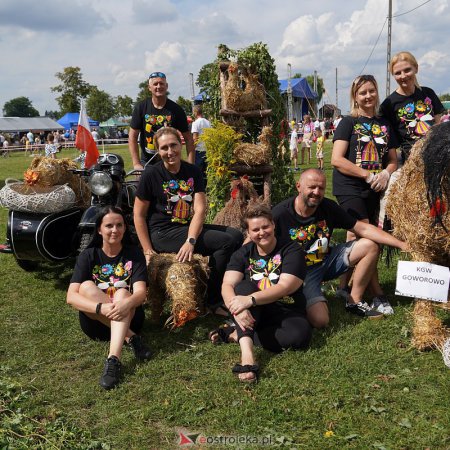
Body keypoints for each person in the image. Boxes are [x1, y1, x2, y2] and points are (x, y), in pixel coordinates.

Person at [272, 169, 407, 328]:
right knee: (321, 321)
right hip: (299, 272)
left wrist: (402, 244)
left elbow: (363, 229)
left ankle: (354, 301)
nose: (317, 192)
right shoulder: (280, 213)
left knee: (370, 245)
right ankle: (300, 296)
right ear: (298, 186)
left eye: (321, 188)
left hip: (326, 261)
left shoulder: (328, 207)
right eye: (312, 187)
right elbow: (253, 243)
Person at [133, 127, 243, 314]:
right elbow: (139, 215)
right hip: (163, 233)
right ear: (158, 151)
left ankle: (224, 286)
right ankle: (214, 301)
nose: (170, 152)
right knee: (226, 242)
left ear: (181, 144)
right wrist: (147, 250)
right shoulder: (151, 174)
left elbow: (200, 209)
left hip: (185, 228)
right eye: (164, 148)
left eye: (173, 145)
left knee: (236, 235)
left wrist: (191, 240)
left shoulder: (192, 171)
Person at [211, 205, 312, 382]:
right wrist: (237, 309)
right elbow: (227, 284)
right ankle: (247, 356)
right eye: (255, 229)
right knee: (242, 287)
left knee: (300, 336)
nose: (262, 232)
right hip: (251, 311)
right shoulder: (243, 253)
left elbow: (285, 287)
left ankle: (235, 333)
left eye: (265, 227)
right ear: (248, 233)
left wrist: (250, 300)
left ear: (273, 225)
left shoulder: (291, 249)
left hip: (284, 309)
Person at [331, 74, 398, 314]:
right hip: (349, 187)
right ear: (355, 97)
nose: (368, 96)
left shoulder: (385, 123)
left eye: (371, 91)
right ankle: (374, 294)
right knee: (370, 238)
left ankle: (343, 286)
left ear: (376, 91)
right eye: (362, 93)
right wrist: (367, 174)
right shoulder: (348, 122)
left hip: (375, 189)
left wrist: (386, 174)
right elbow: (336, 159)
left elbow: (392, 159)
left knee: (354, 238)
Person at [67, 206, 151, 390]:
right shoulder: (88, 255)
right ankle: (132, 339)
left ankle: (113, 360)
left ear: (125, 228)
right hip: (96, 324)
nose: (115, 230)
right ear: (99, 229)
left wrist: (126, 303)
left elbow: (140, 293)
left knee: (122, 293)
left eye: (119, 225)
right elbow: (71, 297)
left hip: (131, 319)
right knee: (86, 287)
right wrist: (100, 308)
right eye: (109, 225)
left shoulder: (134, 254)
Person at [380, 51, 444, 164]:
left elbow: (438, 127)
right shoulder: (388, 104)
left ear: (416, 68)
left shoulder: (428, 93)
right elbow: (389, 141)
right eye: (398, 73)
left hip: (436, 156)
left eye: (407, 70)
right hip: (410, 162)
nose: (403, 76)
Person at [129, 71, 195, 169]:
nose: (159, 86)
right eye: (155, 84)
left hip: (171, 161)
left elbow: (189, 139)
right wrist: (136, 164)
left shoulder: (176, 109)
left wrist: (190, 165)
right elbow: (132, 137)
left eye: (161, 83)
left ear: (166, 86)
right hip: (147, 162)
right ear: (149, 87)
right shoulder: (141, 107)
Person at [191, 104, 211, 183]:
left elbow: (195, 138)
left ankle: (198, 187)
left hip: (199, 150)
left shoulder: (195, 123)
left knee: (197, 171)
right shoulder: (208, 122)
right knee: (206, 171)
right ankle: (205, 187)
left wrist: (192, 150)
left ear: (195, 112)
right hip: (207, 149)